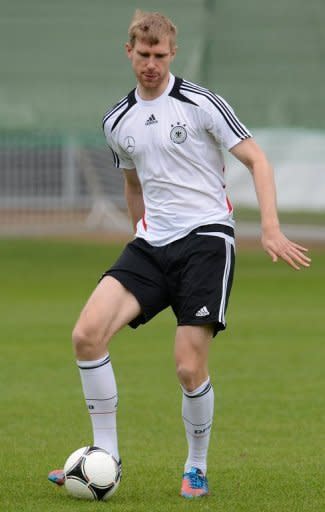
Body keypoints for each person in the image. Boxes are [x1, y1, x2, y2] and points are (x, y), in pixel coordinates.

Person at [48, 9, 311, 498]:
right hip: (152, 244)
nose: (151, 64)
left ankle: (196, 466)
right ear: (129, 52)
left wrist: (269, 229)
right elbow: (132, 184)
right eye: (143, 55)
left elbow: (257, 159)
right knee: (86, 335)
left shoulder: (200, 103)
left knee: (188, 367)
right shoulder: (116, 121)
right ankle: (106, 457)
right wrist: (138, 236)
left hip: (207, 240)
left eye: (160, 55)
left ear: (173, 54)